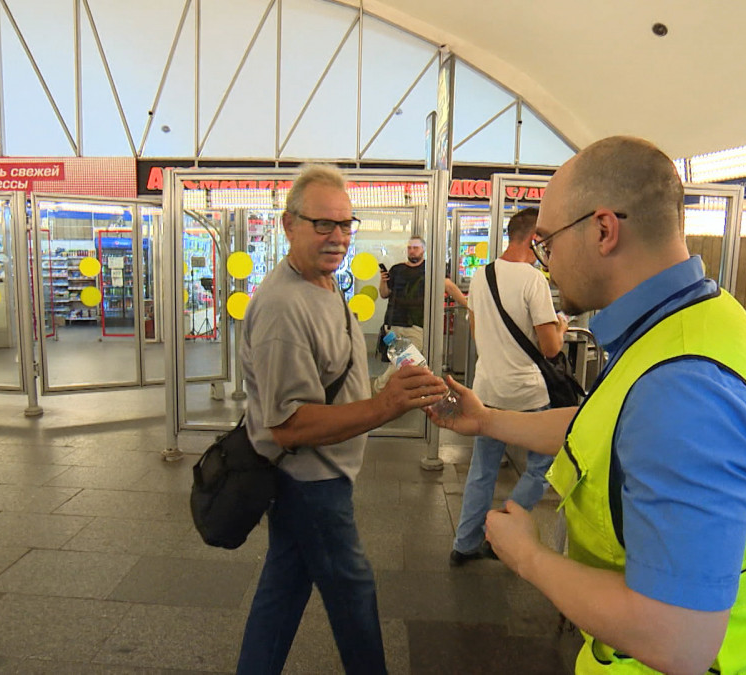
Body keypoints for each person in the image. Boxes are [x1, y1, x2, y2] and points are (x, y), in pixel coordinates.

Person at [429, 136, 746, 674]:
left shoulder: (684, 389)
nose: (546, 263)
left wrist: (529, 557)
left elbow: (677, 640)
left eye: (549, 243)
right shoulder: (696, 324)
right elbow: (610, 425)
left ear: (604, 230)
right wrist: (490, 420)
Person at [237, 164, 448, 675]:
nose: (338, 237)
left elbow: (338, 374)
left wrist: (390, 388)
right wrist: (384, 406)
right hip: (309, 480)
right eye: (322, 225)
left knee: (283, 589)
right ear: (289, 225)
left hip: (319, 476)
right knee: (352, 591)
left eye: (345, 224)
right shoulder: (285, 308)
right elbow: (287, 425)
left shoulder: (324, 285)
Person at [449, 207, 567, 566]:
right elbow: (550, 348)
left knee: (482, 470)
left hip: (488, 391)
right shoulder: (534, 281)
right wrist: (560, 324)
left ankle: (465, 543)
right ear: (534, 240)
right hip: (529, 394)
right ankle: (501, 526)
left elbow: (475, 330)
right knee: (541, 467)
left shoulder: (481, 275)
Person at [374, 236, 466, 391]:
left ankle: (381, 386)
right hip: (393, 323)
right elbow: (384, 294)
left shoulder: (430, 270)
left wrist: (468, 305)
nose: (412, 250)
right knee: (401, 361)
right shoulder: (396, 269)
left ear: (423, 250)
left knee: (407, 359)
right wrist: (383, 281)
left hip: (416, 324)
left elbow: (449, 286)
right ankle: (392, 390)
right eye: (409, 247)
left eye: (415, 247)